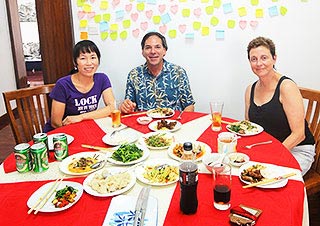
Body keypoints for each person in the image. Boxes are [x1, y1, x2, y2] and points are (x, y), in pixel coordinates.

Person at [244, 36, 315, 175]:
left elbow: (299, 134)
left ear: (274, 58)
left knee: (266, 178)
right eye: (254, 59)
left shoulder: (286, 87)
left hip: (296, 149)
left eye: (264, 57)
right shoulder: (249, 90)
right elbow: (249, 127)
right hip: (268, 147)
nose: (259, 63)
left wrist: (272, 156)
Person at [44, 40, 116, 132]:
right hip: (61, 133)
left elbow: (112, 107)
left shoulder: (102, 79)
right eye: (83, 58)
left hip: (84, 128)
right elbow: (55, 122)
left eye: (93, 57)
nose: (89, 63)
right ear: (75, 62)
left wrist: (80, 117)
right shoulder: (62, 85)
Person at [120, 32, 195, 113]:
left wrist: (182, 123)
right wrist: (126, 107)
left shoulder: (178, 72)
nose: (153, 51)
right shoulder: (134, 75)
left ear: (164, 51)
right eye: (148, 47)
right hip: (144, 123)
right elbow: (129, 106)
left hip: (174, 123)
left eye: (157, 47)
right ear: (143, 52)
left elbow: (189, 105)